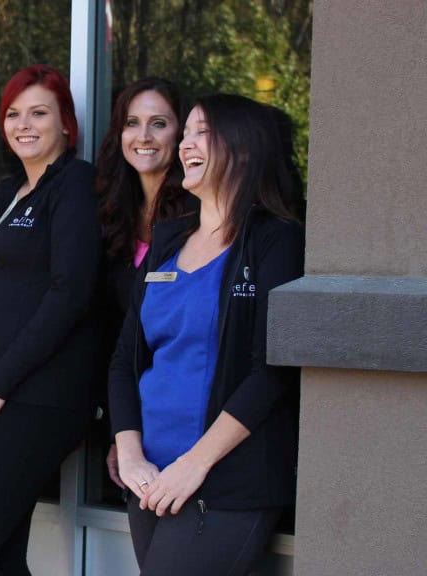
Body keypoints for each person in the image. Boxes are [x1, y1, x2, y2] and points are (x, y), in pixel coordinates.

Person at [108, 94, 304, 574]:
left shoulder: (276, 240)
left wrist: (196, 464)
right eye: (187, 133)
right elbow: (125, 361)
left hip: (221, 481)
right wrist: (131, 455)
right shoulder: (168, 238)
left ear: (242, 148)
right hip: (151, 478)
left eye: (201, 132)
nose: (184, 145)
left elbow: (272, 372)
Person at [0, 64, 102, 575]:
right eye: (13, 113)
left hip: (36, 394)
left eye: (39, 113)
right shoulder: (9, 189)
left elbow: (70, 293)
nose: (24, 124)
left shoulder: (75, 183)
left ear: (66, 124)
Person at [94, 78, 195, 492]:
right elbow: (116, 338)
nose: (144, 136)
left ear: (181, 133)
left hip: (183, 416)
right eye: (132, 123)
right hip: (130, 416)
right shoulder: (111, 213)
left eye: (159, 123)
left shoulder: (197, 217)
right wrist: (123, 433)